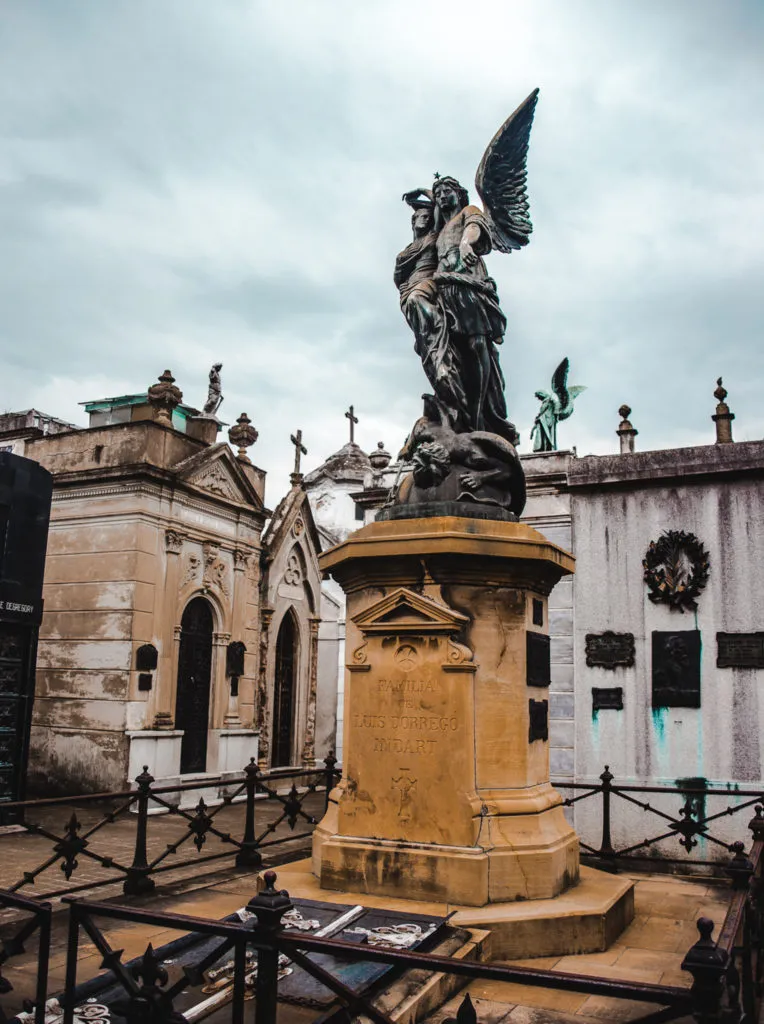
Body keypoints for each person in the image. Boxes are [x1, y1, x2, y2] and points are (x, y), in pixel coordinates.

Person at [430, 176, 516, 445]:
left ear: (459, 194)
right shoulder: (440, 228)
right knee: (456, 355)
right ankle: (462, 415)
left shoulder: (469, 212)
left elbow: (475, 226)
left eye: (447, 190)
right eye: (438, 193)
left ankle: (481, 416)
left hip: (467, 285)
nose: (442, 195)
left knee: (477, 344)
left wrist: (466, 243)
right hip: (445, 292)